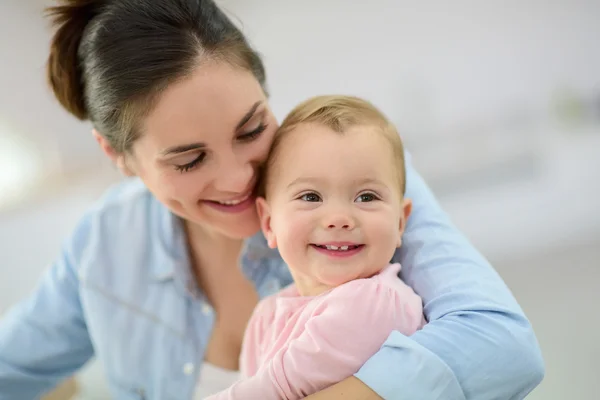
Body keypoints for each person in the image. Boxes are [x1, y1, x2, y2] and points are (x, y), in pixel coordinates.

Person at [0, 0, 544, 399]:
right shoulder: (104, 246)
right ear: (118, 157)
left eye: (251, 128)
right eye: (190, 160)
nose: (239, 178)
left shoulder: (354, 193)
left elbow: (503, 349)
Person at [207, 95, 428, 400]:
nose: (339, 219)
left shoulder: (377, 302)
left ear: (400, 223)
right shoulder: (267, 315)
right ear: (269, 223)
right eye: (311, 197)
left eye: (366, 197)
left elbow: (276, 388)